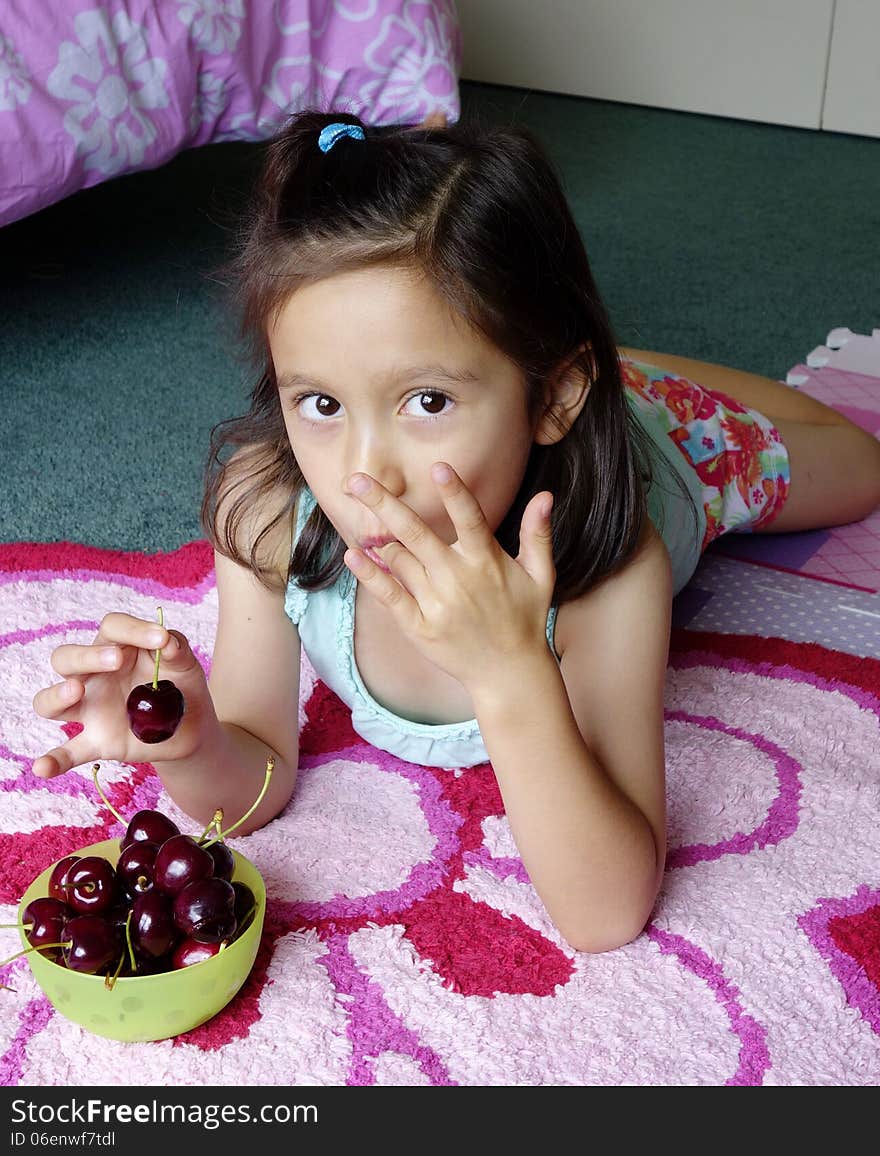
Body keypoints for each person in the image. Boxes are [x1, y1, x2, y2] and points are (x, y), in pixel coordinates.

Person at [31, 111, 880, 953]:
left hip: (665, 456)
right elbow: (256, 785)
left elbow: (606, 911)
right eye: (321, 403)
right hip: (556, 389)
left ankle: (634, 380)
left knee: (857, 463)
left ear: (551, 400)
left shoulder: (613, 568)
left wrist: (511, 666)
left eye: (427, 401)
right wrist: (187, 742)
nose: (367, 475)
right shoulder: (266, 517)